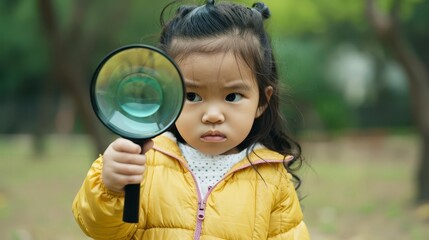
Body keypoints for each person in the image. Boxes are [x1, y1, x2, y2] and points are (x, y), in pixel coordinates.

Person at [72, 0, 310, 239]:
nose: (212, 115)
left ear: (261, 101)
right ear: (168, 96)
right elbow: (101, 230)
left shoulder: (273, 180)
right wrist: (110, 188)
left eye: (232, 96)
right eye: (192, 95)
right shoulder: (144, 163)